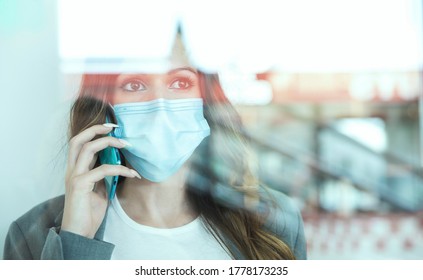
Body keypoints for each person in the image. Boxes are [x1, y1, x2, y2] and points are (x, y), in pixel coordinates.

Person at [3, 35, 307, 260]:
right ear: (105, 107)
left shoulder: (273, 221)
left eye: (180, 84)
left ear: (207, 101)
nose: (160, 106)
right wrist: (75, 243)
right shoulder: (31, 235)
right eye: (134, 85)